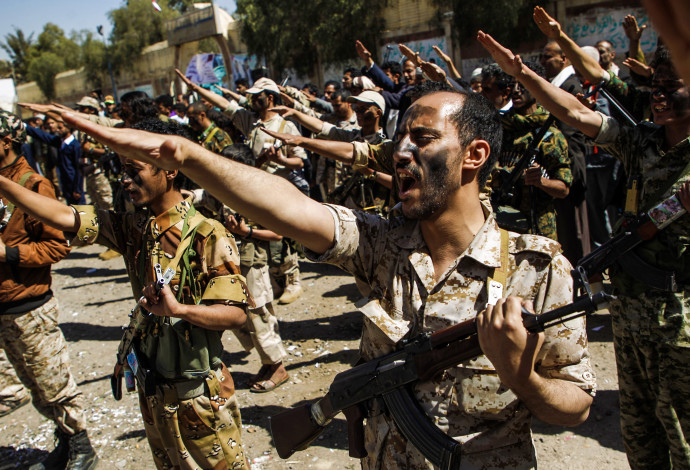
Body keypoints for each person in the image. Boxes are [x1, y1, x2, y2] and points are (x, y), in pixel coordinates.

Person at [61, 87, 596, 469]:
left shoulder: (537, 268)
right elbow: (289, 206)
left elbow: (576, 404)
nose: (401, 151)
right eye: (399, 138)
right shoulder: (382, 244)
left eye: (423, 138)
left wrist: (522, 377)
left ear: (475, 155)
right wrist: (188, 155)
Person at [478, 29, 690, 469]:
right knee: (640, 432)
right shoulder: (641, 141)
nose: (660, 97)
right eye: (657, 87)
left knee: (684, 437)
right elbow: (574, 111)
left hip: (681, 320)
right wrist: (522, 73)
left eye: (674, 88)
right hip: (632, 313)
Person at [0, 118, 251, 470]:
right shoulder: (134, 228)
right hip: (155, 393)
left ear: (169, 170)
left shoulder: (207, 234)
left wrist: (178, 310)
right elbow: (60, 215)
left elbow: (236, 314)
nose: (125, 180)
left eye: (134, 171)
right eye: (122, 171)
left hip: (199, 398)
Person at [0, 110, 98, 470]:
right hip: (4, 304)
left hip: (30, 305)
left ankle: (82, 448)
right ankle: (65, 442)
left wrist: (8, 252)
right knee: (34, 385)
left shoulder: (33, 185)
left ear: (6, 142)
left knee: (53, 381)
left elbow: (57, 247)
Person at [175, 70, 307, 305]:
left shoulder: (285, 125)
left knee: (284, 235)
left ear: (270, 97)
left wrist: (281, 161)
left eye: (258, 96)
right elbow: (225, 105)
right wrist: (195, 89)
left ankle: (292, 279)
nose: (253, 100)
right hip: (252, 187)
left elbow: (300, 159)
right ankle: (274, 280)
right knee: (260, 234)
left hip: (278, 188)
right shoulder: (251, 121)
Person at [220, 144, 289, 393]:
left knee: (259, 314)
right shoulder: (224, 192)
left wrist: (245, 231)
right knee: (240, 316)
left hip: (253, 264)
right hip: (231, 262)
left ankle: (277, 367)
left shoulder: (258, 194)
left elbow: (278, 234)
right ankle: (267, 363)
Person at [489, 61, 571, 241]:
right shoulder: (502, 128)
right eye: (513, 85)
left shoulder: (550, 135)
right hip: (502, 224)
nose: (516, 90)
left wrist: (541, 182)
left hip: (538, 228)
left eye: (523, 85)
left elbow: (563, 188)